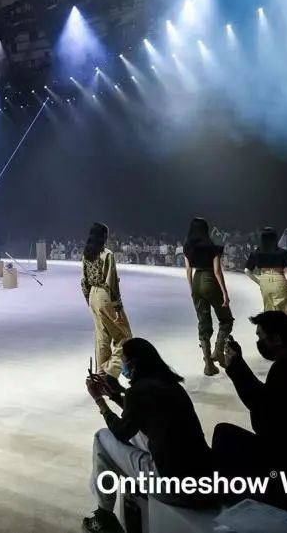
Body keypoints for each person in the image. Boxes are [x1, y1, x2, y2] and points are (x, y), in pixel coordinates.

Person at [82, 339, 215, 533]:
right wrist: (116, 395)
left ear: (133, 364)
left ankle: (104, 515)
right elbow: (142, 414)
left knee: (102, 438)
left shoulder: (137, 392)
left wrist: (99, 402)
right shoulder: (172, 386)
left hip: (173, 488)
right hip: (204, 480)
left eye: (124, 361)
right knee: (141, 438)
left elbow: (121, 431)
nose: (122, 367)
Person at [213, 311, 287, 520]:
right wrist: (238, 367)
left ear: (276, 339)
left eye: (261, 336)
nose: (259, 341)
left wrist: (238, 368)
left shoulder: (286, 368)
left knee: (224, 434)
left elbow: (265, 413)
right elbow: (269, 399)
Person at [80, 222, 133, 380]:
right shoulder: (107, 254)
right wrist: (118, 307)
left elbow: (84, 281)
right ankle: (110, 371)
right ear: (103, 236)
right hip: (105, 296)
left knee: (102, 338)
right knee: (125, 337)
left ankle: (100, 377)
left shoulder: (86, 254)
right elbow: (111, 283)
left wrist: (89, 300)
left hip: (92, 296)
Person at [183, 217, 233, 376]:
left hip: (196, 280)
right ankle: (218, 351)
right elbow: (217, 271)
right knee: (226, 319)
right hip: (210, 279)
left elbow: (188, 270)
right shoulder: (212, 247)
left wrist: (192, 288)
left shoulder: (187, 247)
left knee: (203, 323)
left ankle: (208, 365)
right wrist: (225, 292)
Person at [243, 227, 287, 313]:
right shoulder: (283, 252)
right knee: (283, 313)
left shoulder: (256, 252)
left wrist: (259, 282)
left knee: (268, 312)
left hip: (264, 282)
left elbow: (246, 270)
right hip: (280, 280)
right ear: (275, 238)